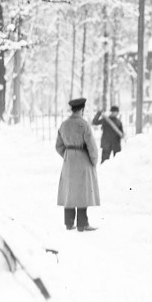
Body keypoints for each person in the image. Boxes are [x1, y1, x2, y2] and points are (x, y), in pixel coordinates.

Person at [56, 97, 100, 231]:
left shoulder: (64, 124)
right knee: (82, 191)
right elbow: (91, 146)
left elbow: (58, 146)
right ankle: (82, 223)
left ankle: (69, 223)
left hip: (69, 160)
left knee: (69, 191)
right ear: (82, 109)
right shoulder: (84, 124)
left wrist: (68, 155)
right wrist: (93, 160)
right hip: (83, 159)